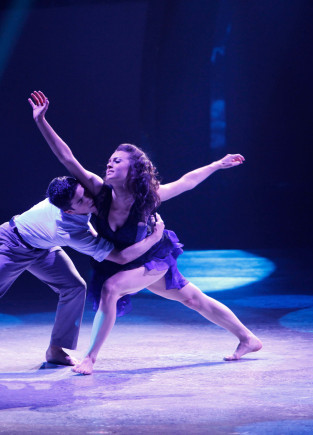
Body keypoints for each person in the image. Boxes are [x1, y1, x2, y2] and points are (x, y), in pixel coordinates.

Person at [29, 90, 262, 375]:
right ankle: (248, 338)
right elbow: (67, 158)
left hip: (152, 258)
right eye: (110, 160)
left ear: (134, 170)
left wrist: (216, 164)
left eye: (117, 161)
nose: (109, 163)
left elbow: (186, 182)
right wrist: (41, 121)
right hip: (126, 261)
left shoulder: (149, 198)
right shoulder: (98, 191)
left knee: (111, 289)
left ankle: (90, 359)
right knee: (192, 299)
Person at [0, 176, 166, 378]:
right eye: (82, 201)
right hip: (11, 244)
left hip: (42, 247)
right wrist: (154, 238)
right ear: (70, 210)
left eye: (86, 194)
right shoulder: (69, 229)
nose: (90, 200)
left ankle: (56, 350)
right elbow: (119, 257)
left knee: (74, 287)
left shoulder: (78, 195)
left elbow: (68, 158)